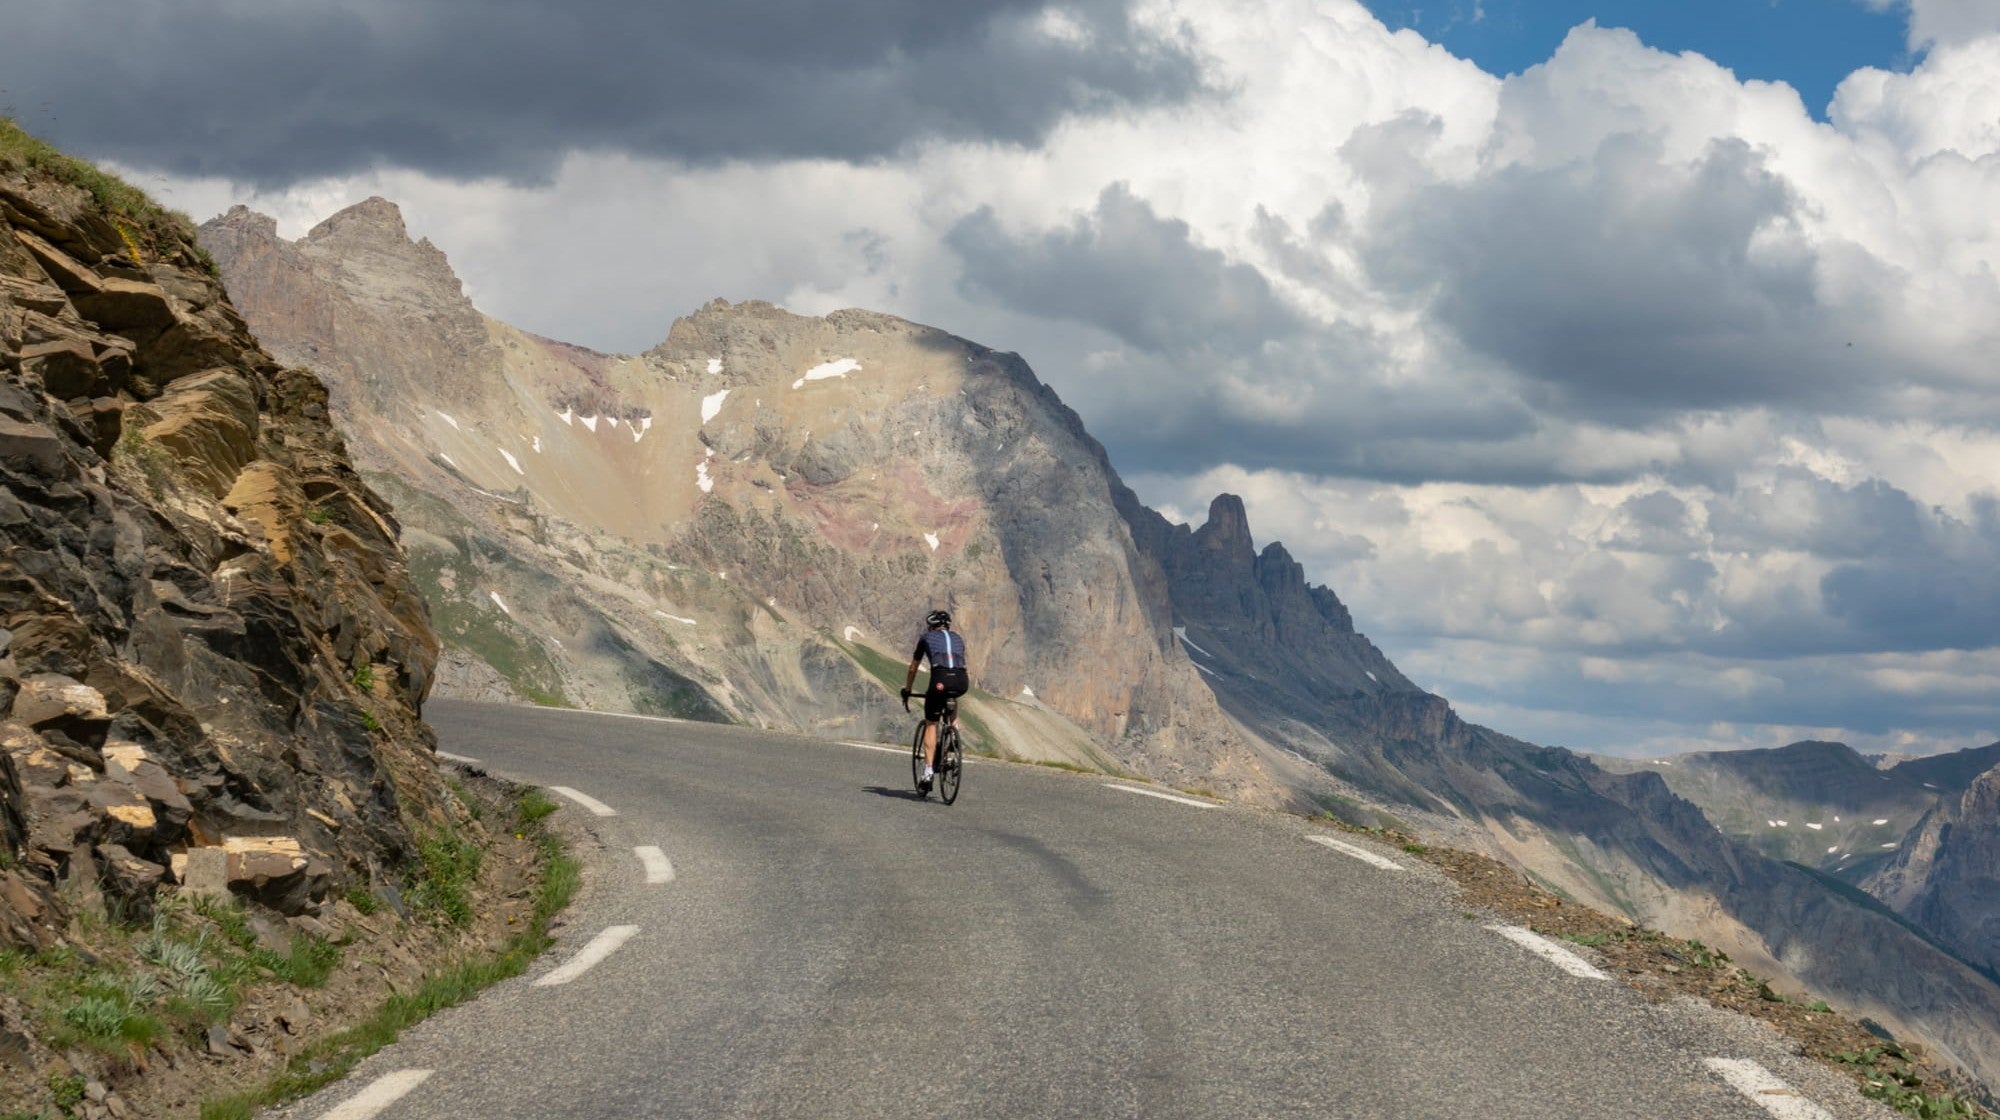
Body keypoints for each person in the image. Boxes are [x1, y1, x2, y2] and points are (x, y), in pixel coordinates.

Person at [901, 609, 969, 792]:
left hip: (940, 679)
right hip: (962, 681)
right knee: (952, 694)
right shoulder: (958, 638)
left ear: (931, 626)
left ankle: (928, 771)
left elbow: (913, 668)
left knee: (931, 723)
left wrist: (907, 690)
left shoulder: (926, 638)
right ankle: (954, 729)